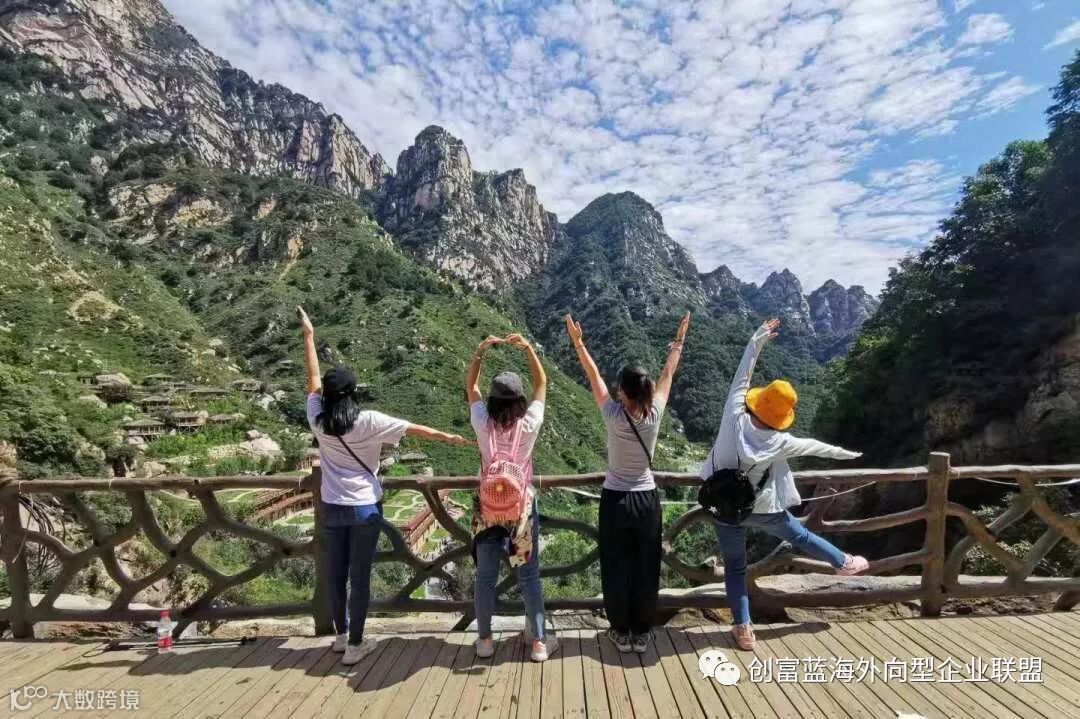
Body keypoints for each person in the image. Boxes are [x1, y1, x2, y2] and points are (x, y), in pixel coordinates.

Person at [298, 306, 471, 665]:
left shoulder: (318, 420)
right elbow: (415, 429)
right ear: (353, 394)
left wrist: (309, 335)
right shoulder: (370, 421)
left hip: (332, 507)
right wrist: (450, 438)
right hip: (364, 509)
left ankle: (341, 636)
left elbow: (312, 380)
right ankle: (356, 645)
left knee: (335, 575)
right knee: (359, 576)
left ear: (328, 396)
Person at [704, 318, 869, 650]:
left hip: (722, 505)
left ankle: (743, 629)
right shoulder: (781, 442)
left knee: (735, 567)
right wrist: (851, 454)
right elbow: (817, 448)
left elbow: (743, 374)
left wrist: (758, 338)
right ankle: (843, 562)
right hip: (760, 509)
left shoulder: (733, 415)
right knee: (800, 535)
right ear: (781, 417)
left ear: (758, 401)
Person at [566, 311, 691, 654]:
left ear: (622, 391)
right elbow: (668, 374)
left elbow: (592, 375)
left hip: (615, 500)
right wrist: (678, 341)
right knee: (646, 566)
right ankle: (642, 632)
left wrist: (579, 343)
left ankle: (621, 632)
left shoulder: (613, 415)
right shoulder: (655, 413)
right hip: (647, 500)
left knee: (616, 565)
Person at [467, 332, 558, 663]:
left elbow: (471, 387)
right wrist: (529, 348)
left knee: (485, 578)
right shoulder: (529, 423)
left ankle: (485, 641)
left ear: (492, 401)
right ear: (520, 401)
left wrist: (480, 351)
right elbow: (542, 383)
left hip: (487, 512)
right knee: (529, 578)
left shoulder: (482, 423)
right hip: (521, 512)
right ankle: (539, 643)